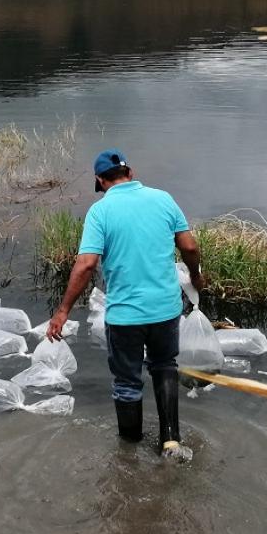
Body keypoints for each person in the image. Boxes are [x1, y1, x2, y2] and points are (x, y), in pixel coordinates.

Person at [46, 148, 204, 459]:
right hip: (165, 310)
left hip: (125, 316)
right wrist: (196, 276)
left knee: (127, 382)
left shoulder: (101, 211)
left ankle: (129, 453)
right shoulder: (163, 199)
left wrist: (63, 311)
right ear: (130, 173)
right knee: (164, 366)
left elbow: (86, 264)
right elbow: (189, 246)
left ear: (100, 180)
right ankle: (171, 441)